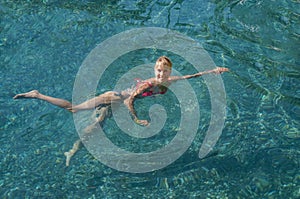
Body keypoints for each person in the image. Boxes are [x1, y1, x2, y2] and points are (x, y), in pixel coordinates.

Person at [13, 56, 229, 166]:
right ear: (154, 71)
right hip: (115, 97)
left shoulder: (171, 80)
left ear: (169, 71)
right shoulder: (148, 84)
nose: (161, 74)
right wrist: (136, 119)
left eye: (164, 71)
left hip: (118, 102)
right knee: (74, 109)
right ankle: (38, 94)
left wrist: (213, 71)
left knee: (96, 127)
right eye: (158, 70)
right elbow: (130, 101)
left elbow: (192, 76)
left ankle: (72, 151)